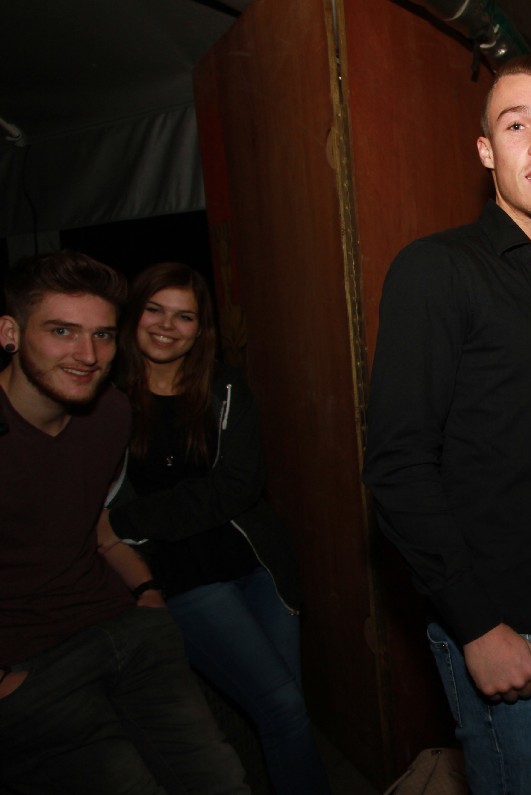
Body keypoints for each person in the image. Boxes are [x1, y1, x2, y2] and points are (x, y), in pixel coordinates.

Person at [362, 53, 531, 795]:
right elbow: (397, 466)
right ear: (486, 151)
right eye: (517, 125)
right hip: (500, 625)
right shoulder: (436, 269)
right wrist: (475, 626)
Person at [0, 250, 248, 794]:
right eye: (62, 331)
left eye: (103, 335)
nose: (87, 354)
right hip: (34, 664)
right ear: (10, 333)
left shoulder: (110, 414)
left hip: (127, 630)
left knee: (222, 781)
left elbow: (97, 526)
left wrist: (148, 595)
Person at [95, 262, 331, 795]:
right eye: (155, 310)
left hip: (260, 565)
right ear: (133, 316)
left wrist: (126, 520)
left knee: (288, 709)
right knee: (282, 707)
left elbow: (238, 486)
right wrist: (135, 520)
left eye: (184, 316)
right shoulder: (107, 397)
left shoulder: (223, 386)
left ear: (201, 329)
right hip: (185, 577)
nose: (166, 325)